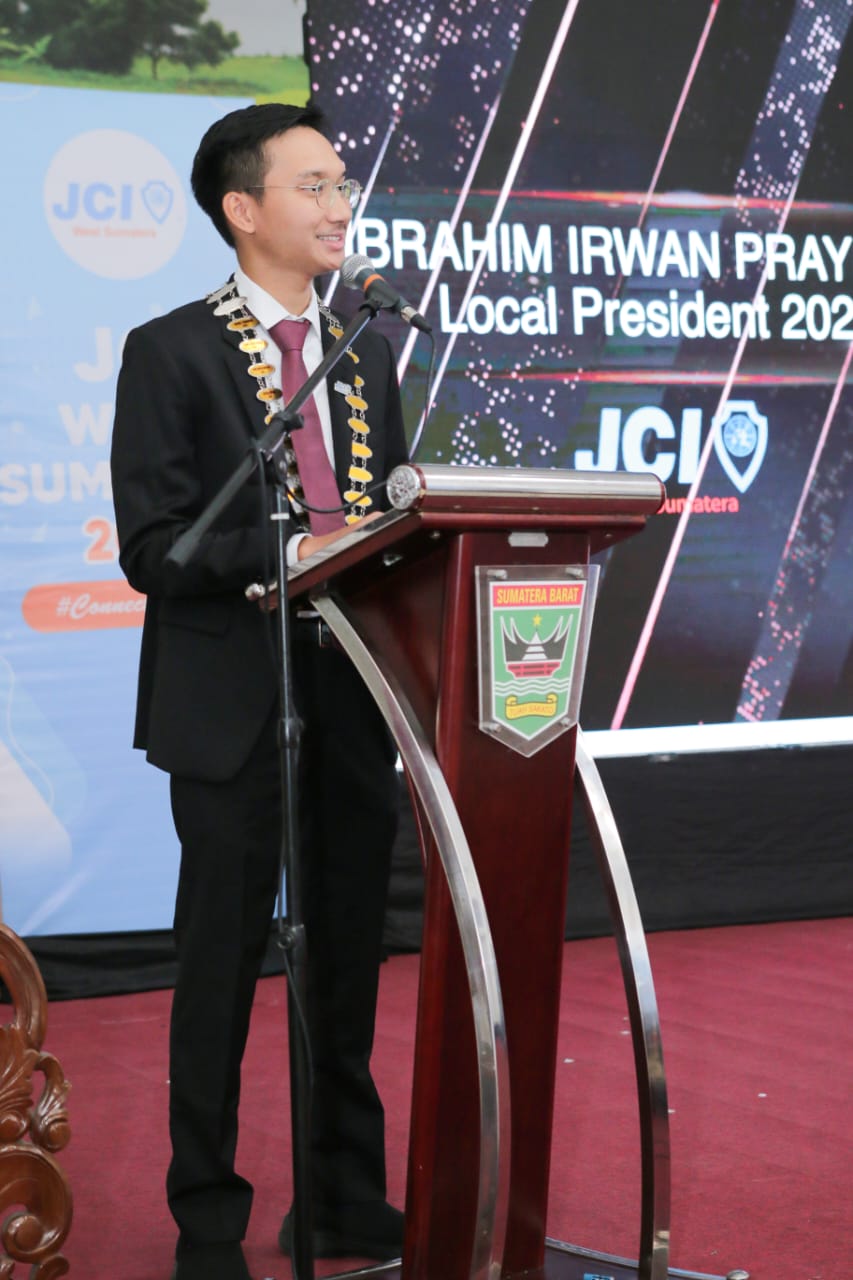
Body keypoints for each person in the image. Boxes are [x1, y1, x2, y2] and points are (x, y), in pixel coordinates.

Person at [110, 102, 409, 1280]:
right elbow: (155, 546)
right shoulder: (170, 349)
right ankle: (207, 1217)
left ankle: (342, 1197)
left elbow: (386, 509)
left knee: (345, 954)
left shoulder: (366, 345)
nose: (340, 205)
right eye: (313, 185)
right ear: (242, 209)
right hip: (230, 701)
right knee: (221, 961)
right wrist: (286, 548)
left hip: (350, 691)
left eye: (342, 183)